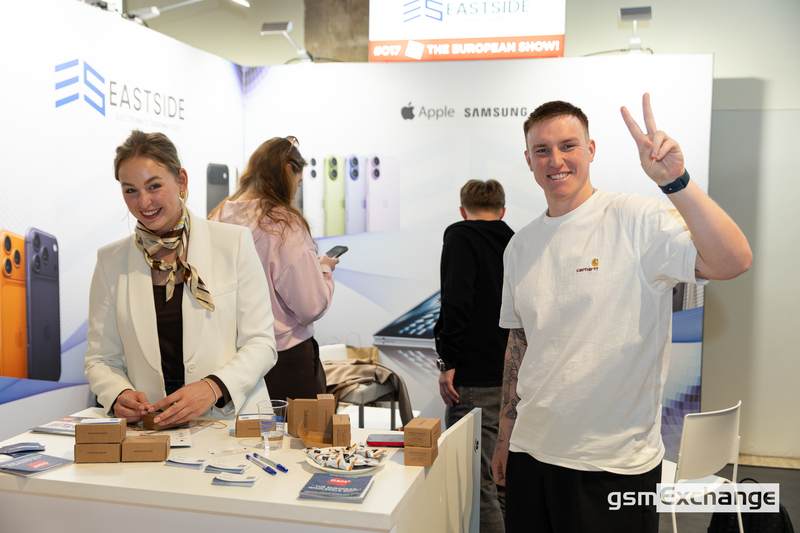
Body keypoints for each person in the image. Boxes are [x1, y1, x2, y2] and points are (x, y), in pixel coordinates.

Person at [491, 95, 752, 532]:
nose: (556, 160)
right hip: (530, 453)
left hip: (613, 464)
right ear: (529, 160)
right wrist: (505, 437)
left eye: (568, 146)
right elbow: (519, 345)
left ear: (591, 150)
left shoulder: (637, 218)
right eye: (542, 150)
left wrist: (676, 182)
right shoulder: (520, 246)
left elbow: (733, 260)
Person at [85, 130, 277, 426]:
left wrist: (213, 387)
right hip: (151, 426)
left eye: (154, 186)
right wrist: (118, 393)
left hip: (229, 423)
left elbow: (261, 343)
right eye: (130, 190)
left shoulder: (233, 243)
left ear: (181, 181)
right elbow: (100, 359)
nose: (143, 202)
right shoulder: (111, 261)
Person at [210, 136, 338, 401]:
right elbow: (310, 306)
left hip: (232, 361)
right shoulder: (283, 224)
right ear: (288, 170)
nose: (295, 191)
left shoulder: (218, 216)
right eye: (298, 182)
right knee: (296, 429)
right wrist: (324, 270)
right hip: (284, 362)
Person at [434, 179, 514, 533]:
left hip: (474, 378)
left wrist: (447, 362)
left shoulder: (460, 236)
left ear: (462, 211)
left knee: (475, 479)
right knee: (502, 477)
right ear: (502, 211)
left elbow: (457, 301)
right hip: (512, 376)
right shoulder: (516, 239)